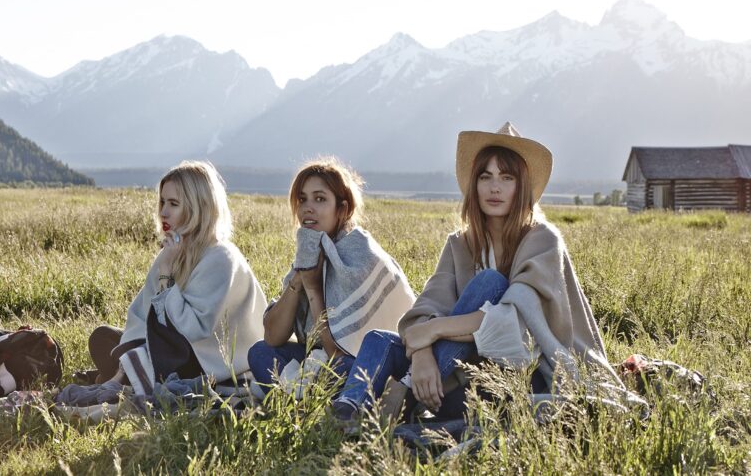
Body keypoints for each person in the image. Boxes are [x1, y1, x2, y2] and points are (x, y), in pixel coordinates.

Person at [332, 123, 619, 421]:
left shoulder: (543, 240)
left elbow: (514, 326)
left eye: (506, 178)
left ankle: (404, 403)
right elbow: (425, 310)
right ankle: (349, 411)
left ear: (522, 186)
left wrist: (433, 330)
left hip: (518, 377)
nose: (495, 187)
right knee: (379, 339)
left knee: (490, 282)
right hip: (457, 375)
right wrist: (421, 354)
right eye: (486, 177)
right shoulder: (460, 244)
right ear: (475, 184)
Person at [87, 160, 268, 390]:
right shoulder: (175, 253)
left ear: (197, 207)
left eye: (173, 204)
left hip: (209, 358)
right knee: (104, 337)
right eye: (162, 202)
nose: (163, 212)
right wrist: (133, 347)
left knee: (137, 356)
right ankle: (126, 374)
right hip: (173, 345)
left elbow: (191, 330)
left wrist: (166, 273)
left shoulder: (221, 257)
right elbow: (142, 315)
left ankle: (118, 381)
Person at [247, 158, 415, 394]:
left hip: (368, 364)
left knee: (342, 368)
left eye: (320, 199)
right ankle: (308, 401)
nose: (307, 208)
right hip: (321, 360)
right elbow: (274, 337)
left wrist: (314, 290)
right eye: (302, 199)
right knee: (260, 353)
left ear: (342, 209)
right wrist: (298, 280)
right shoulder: (309, 252)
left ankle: (299, 400)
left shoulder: (362, 256)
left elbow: (340, 352)